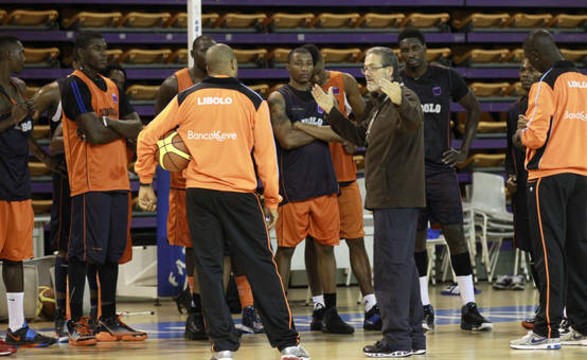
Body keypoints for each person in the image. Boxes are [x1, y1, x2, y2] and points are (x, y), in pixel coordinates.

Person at [135, 43, 309, 360]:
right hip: (240, 195)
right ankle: (287, 344)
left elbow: (147, 137)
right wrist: (272, 198)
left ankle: (224, 348)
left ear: (208, 66)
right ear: (233, 64)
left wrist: (145, 182)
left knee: (210, 269)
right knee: (261, 266)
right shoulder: (253, 100)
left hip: (199, 195)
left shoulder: (187, 97)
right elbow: (266, 156)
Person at [312, 46, 425, 357]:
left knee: (390, 271)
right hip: (387, 198)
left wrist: (401, 98)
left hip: (398, 197)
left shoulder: (405, 98)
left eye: (372, 67)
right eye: (364, 67)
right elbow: (359, 136)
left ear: (390, 71)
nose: (367, 72)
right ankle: (413, 339)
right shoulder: (379, 106)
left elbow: (414, 119)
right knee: (404, 270)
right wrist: (331, 112)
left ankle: (396, 340)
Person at [155, 35, 263, 338]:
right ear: (193, 52)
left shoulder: (236, 91)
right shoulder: (173, 85)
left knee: (232, 249)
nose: (206, 53)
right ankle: (195, 309)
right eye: (201, 48)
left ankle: (240, 310)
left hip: (230, 177)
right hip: (188, 181)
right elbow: (158, 131)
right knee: (194, 247)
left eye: (211, 49)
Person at [397, 27, 492, 332]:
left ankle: (469, 307)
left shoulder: (445, 76)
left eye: (415, 48)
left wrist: (464, 149)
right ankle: (423, 307)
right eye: (405, 50)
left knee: (455, 236)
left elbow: (474, 108)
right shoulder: (395, 80)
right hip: (409, 173)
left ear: (425, 49)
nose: (410, 54)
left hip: (440, 170)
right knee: (416, 241)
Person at [59, 31, 145, 346]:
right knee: (83, 254)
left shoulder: (112, 86)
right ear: (79, 54)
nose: (103, 53)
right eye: (96, 48)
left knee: (111, 255)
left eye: (104, 48)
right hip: (89, 181)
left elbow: (137, 127)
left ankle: (107, 317)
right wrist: (117, 129)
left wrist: (108, 125)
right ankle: (75, 320)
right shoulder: (74, 84)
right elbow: (92, 134)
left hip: (118, 179)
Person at [510, 29, 587, 350]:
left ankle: (548, 330)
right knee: (579, 252)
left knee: (549, 253)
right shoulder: (584, 81)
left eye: (529, 60)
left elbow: (535, 136)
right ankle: (582, 328)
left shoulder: (544, 83)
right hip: (582, 175)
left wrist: (520, 135)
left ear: (537, 57)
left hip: (548, 176)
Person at [268, 47, 354, 335]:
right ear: (288, 67)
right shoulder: (278, 98)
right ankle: (278, 312)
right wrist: (319, 131)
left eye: (308, 63)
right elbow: (287, 139)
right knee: (286, 250)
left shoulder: (322, 96)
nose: (304, 68)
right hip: (293, 189)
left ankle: (330, 312)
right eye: (298, 63)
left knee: (325, 249)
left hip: (324, 185)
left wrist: (303, 125)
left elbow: (341, 132)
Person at [296, 43, 381, 331]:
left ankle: (371, 304)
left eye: (317, 69)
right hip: (314, 179)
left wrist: (353, 135)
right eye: (309, 70)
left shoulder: (342, 81)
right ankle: (320, 306)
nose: (314, 76)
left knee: (355, 239)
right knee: (316, 243)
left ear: (322, 63)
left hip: (343, 175)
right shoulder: (293, 92)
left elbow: (367, 116)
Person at [0, 35, 58, 351]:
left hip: (18, 185)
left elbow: (23, 134)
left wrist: (44, 158)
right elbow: (15, 122)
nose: (26, 55)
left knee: (15, 258)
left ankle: (17, 327)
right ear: (6, 55)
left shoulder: (20, 88)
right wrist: (14, 117)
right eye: (21, 52)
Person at [504, 58, 543, 320]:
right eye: (522, 70)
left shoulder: (550, 106)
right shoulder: (514, 110)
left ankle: (560, 307)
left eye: (531, 70)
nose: (525, 74)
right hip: (523, 190)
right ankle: (544, 303)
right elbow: (511, 153)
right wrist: (510, 176)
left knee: (550, 249)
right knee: (531, 248)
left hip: (546, 185)